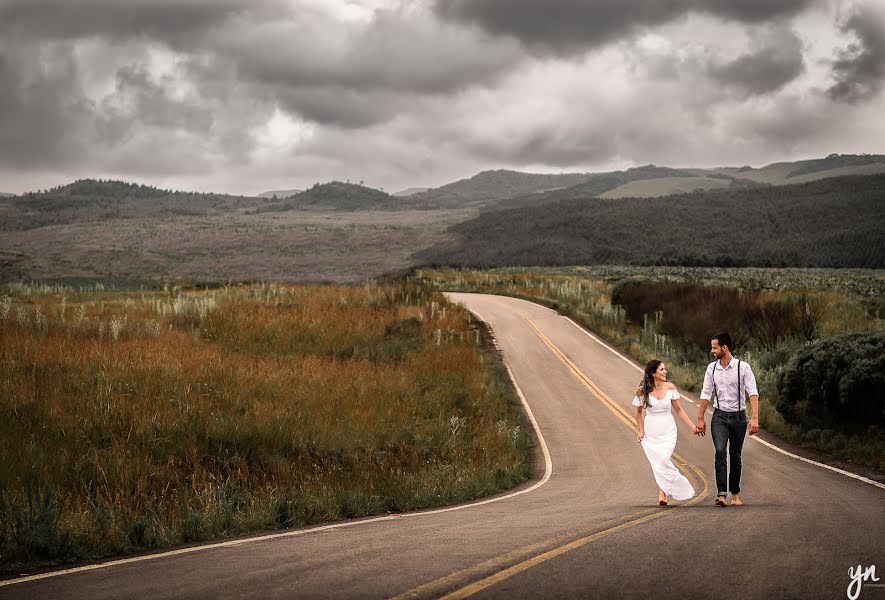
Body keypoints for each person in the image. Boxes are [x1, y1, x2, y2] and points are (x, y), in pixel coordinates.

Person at [695, 332, 759, 507]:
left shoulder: (743, 367)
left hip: (739, 417)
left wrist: (754, 418)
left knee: (735, 455)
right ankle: (721, 494)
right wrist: (700, 418)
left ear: (725, 348)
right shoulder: (712, 368)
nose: (712, 351)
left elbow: (752, 392)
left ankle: (735, 493)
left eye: (714, 347)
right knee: (720, 451)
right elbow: (706, 393)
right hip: (720, 417)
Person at [633, 359, 700, 506]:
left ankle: (664, 491)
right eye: (662, 369)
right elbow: (638, 414)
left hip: (668, 430)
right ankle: (663, 491)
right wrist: (641, 432)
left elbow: (679, 410)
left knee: (663, 459)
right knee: (658, 462)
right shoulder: (642, 391)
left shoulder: (670, 388)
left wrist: (692, 427)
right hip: (652, 431)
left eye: (664, 369)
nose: (665, 372)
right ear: (653, 373)